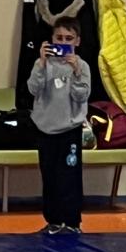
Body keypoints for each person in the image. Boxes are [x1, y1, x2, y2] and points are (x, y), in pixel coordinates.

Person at [28, 19, 91, 235]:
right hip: (45, 129)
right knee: (49, 176)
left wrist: (76, 72)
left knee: (69, 176)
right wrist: (41, 63)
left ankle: (72, 221)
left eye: (69, 39)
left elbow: (81, 95)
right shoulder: (42, 64)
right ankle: (53, 220)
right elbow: (33, 89)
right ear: (52, 39)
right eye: (59, 38)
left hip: (69, 130)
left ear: (77, 41)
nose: (63, 42)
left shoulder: (82, 66)